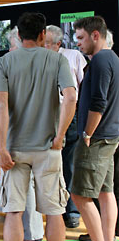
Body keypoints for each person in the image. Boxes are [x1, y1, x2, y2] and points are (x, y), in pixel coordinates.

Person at [0, 12, 76, 241]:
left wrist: (1, 147)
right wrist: (60, 135)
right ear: (42, 35)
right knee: (54, 213)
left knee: (14, 212)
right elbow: (71, 97)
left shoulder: (4, 62)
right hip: (48, 148)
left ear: (17, 34)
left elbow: (0, 105)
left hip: (14, 151)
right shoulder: (57, 59)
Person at [70, 16, 119, 241]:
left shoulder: (100, 60)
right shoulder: (112, 58)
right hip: (108, 135)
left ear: (96, 35)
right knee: (104, 193)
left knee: (80, 195)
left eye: (80, 38)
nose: (77, 43)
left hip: (97, 137)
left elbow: (98, 102)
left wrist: (88, 132)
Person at [45, 25, 87, 229]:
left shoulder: (74, 56)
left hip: (70, 114)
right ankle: (54, 209)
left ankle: (71, 212)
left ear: (58, 44)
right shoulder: (41, 59)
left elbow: (83, 86)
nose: (43, 46)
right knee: (51, 165)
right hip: (47, 117)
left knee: (69, 165)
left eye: (47, 43)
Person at [6, 26, 44, 241]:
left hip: (22, 138)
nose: (10, 50)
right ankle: (32, 232)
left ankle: (30, 235)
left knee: (24, 188)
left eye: (11, 45)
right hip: (37, 137)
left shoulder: (18, 68)